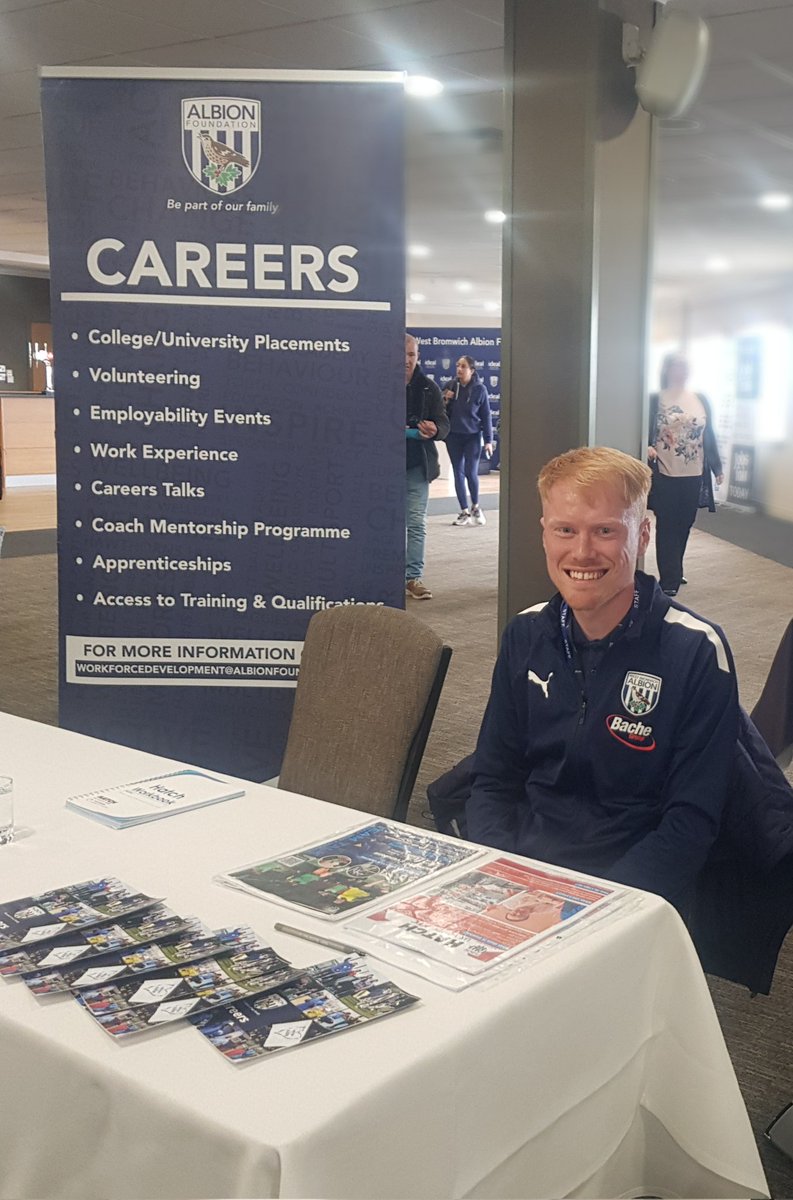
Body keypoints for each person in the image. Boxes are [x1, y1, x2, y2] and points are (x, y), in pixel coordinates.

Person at [467, 445, 738, 910]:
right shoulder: (526, 634)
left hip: (630, 894)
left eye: (606, 531)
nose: (582, 552)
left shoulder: (694, 650)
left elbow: (689, 825)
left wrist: (586, 912)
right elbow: (492, 780)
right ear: (545, 534)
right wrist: (503, 878)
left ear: (644, 533)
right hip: (522, 879)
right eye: (565, 530)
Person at [647, 353, 723, 596]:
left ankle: (676, 570)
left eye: (685, 367)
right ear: (667, 369)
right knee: (668, 523)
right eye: (677, 366)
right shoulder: (655, 399)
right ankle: (669, 579)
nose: (682, 371)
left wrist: (717, 466)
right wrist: (646, 445)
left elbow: (707, 434)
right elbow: (645, 429)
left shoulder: (699, 399)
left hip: (694, 472)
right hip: (666, 471)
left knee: (685, 522)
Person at [404, 334, 449, 601]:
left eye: (411, 354)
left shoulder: (429, 388)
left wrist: (435, 430)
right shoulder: (377, 384)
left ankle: (413, 577)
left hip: (417, 466)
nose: (407, 360)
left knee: (416, 523)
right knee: (385, 524)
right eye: (403, 354)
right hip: (381, 468)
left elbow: (443, 423)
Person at [442, 356, 494, 526]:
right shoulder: (450, 386)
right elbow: (440, 411)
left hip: (472, 436)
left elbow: (486, 416)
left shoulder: (480, 389)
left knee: (471, 471)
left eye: (463, 366)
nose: (459, 369)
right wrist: (445, 399)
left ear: (471, 370)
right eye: (457, 366)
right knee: (458, 471)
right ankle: (464, 511)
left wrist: (488, 440)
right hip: (453, 436)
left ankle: (476, 507)